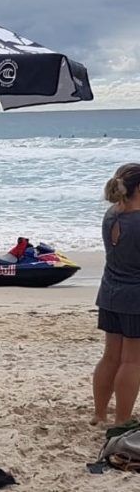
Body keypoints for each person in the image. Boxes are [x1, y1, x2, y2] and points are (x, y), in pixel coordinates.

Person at [93, 163, 140, 426]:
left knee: (111, 356)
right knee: (132, 361)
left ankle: (99, 414)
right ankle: (122, 420)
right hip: (134, 298)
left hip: (110, 291)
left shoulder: (112, 213)